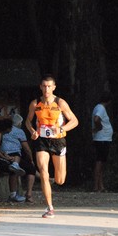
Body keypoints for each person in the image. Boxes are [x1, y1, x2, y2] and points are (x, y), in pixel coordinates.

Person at [26, 74, 79, 218]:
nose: (46, 89)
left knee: (60, 180)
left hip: (58, 141)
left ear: (54, 87)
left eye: (49, 86)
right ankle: (50, 207)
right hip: (41, 140)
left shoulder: (60, 103)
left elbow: (74, 121)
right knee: (43, 171)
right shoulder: (35, 103)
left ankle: (51, 180)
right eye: (44, 86)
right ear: (40, 87)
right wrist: (32, 131)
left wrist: (62, 129)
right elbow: (28, 121)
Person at [0, 117, 27, 202]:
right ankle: (13, 194)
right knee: (12, 169)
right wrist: (5, 157)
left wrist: (5, 155)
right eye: (10, 128)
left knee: (13, 166)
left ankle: (13, 193)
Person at [1, 113, 37, 202]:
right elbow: (27, 148)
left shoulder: (1, 129)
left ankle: (13, 194)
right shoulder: (19, 131)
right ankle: (29, 194)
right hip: (14, 155)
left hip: (2, 154)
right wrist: (31, 159)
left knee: (14, 170)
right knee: (31, 169)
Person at [92, 91, 113, 192]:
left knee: (101, 162)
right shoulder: (100, 108)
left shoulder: (99, 107)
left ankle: (101, 186)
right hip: (102, 138)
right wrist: (99, 128)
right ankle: (96, 186)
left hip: (103, 138)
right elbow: (96, 119)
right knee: (99, 162)